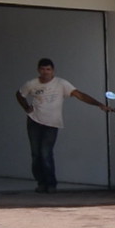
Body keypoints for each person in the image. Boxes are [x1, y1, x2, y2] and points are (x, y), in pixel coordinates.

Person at [14, 58, 109, 193]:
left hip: (52, 123)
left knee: (45, 153)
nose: (45, 72)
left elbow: (79, 95)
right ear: (38, 70)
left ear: (53, 71)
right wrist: (26, 107)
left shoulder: (61, 83)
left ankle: (51, 184)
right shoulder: (32, 84)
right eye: (42, 69)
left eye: (48, 69)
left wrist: (99, 104)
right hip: (34, 121)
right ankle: (41, 183)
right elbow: (19, 94)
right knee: (36, 154)